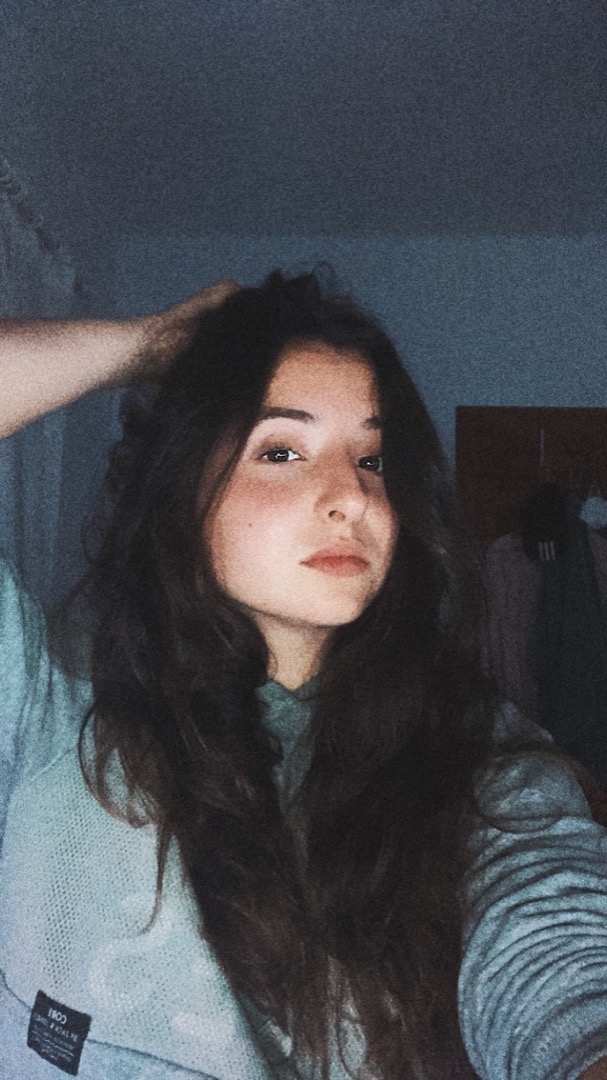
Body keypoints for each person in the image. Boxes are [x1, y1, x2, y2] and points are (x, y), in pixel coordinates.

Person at [1, 269, 607, 1080]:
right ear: (182, 490)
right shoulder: (46, 704)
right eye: (281, 451)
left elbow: (557, 958)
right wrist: (146, 348)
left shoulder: (480, 759)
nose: (350, 496)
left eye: (372, 458)